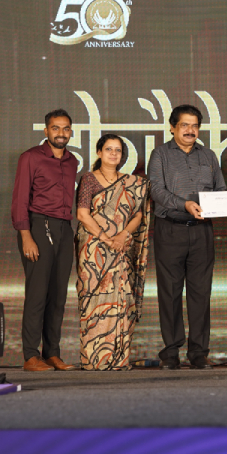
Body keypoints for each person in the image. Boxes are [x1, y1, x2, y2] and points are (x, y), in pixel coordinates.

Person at [148, 104, 227, 370]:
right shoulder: (160, 154)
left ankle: (198, 352)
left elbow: (220, 189)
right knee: (170, 292)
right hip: (170, 229)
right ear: (172, 127)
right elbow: (156, 190)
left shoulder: (209, 155)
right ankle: (170, 351)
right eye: (184, 125)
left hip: (202, 231)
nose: (190, 130)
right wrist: (184, 204)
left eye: (194, 126)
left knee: (201, 293)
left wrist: (225, 204)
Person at [74, 134, 151, 370]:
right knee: (93, 300)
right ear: (99, 152)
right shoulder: (89, 179)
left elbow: (138, 215)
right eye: (109, 149)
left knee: (121, 300)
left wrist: (123, 235)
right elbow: (82, 214)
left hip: (121, 248)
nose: (114, 154)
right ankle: (94, 360)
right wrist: (106, 238)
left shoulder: (132, 183)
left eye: (118, 150)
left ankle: (118, 358)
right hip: (94, 250)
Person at [11, 109, 78, 372]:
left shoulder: (72, 161)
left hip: (64, 228)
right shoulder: (30, 157)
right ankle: (31, 355)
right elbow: (20, 199)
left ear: (71, 131)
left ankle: (52, 354)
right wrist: (26, 235)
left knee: (58, 296)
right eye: (55, 128)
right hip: (38, 227)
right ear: (46, 130)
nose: (61, 133)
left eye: (66, 128)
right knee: (37, 294)